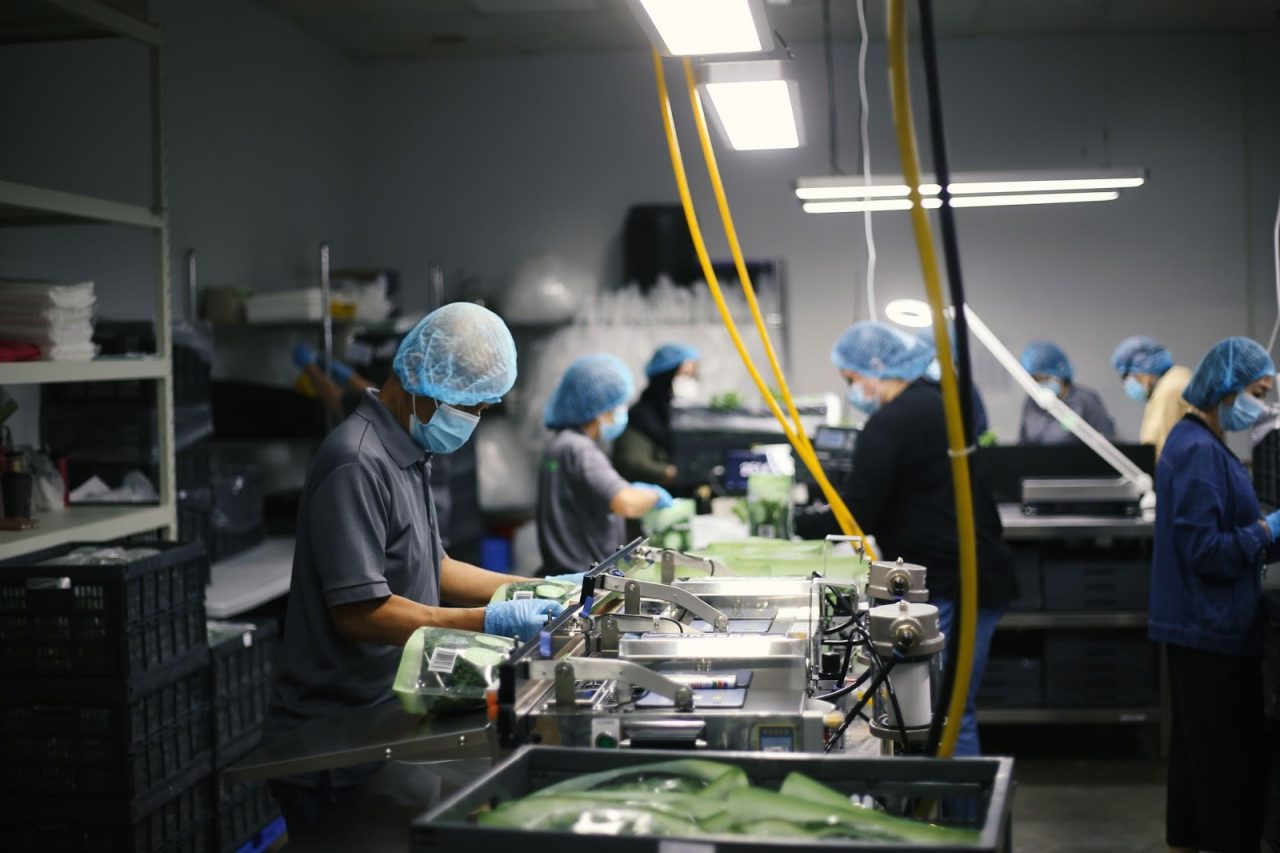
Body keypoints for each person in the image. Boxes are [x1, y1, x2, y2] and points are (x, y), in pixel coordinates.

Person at [266, 303, 577, 837]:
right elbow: (363, 613)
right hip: (339, 734)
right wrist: (492, 621)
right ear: (422, 382)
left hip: (390, 710)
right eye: (469, 406)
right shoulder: (356, 461)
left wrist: (536, 588)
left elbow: (435, 566)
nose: (473, 421)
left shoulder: (407, 453)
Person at [801, 321, 1015, 756]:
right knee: (945, 710)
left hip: (957, 582)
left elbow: (857, 512)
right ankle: (946, 810)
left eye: (851, 378)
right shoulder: (933, 406)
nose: (852, 389)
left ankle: (958, 818)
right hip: (968, 574)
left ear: (874, 368)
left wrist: (799, 523)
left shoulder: (891, 423)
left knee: (945, 713)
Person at [1151, 336, 1276, 853]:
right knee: (1227, 759)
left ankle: (1191, 837)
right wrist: (1265, 533)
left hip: (1198, 625)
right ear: (1226, 388)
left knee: (1197, 752)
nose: (1261, 405)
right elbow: (1205, 551)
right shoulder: (1199, 451)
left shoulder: (1196, 440)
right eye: (1257, 391)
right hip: (1211, 629)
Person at [538, 354, 675, 574]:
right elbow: (626, 502)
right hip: (582, 577)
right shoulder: (580, 449)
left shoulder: (561, 444)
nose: (622, 411)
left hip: (565, 571)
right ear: (600, 407)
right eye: (618, 404)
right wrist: (655, 495)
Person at [612, 342, 700, 487]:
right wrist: (671, 473)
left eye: (692, 376)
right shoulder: (641, 417)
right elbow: (630, 461)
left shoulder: (682, 416)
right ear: (666, 376)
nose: (689, 382)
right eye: (684, 375)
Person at [1017, 340, 1115, 444]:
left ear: (1058, 375)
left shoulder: (1085, 400)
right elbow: (1023, 442)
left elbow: (1106, 441)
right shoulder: (1032, 402)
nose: (1037, 384)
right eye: (1033, 380)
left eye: (1041, 378)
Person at [1109, 336, 1192, 459]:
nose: (1127, 383)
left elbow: (1162, 449)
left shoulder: (1170, 389)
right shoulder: (1170, 383)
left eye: (1127, 376)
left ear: (1144, 371)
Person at [916, 323, 989, 437]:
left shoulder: (965, 388)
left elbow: (980, 430)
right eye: (931, 356)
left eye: (941, 356)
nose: (936, 360)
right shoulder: (913, 391)